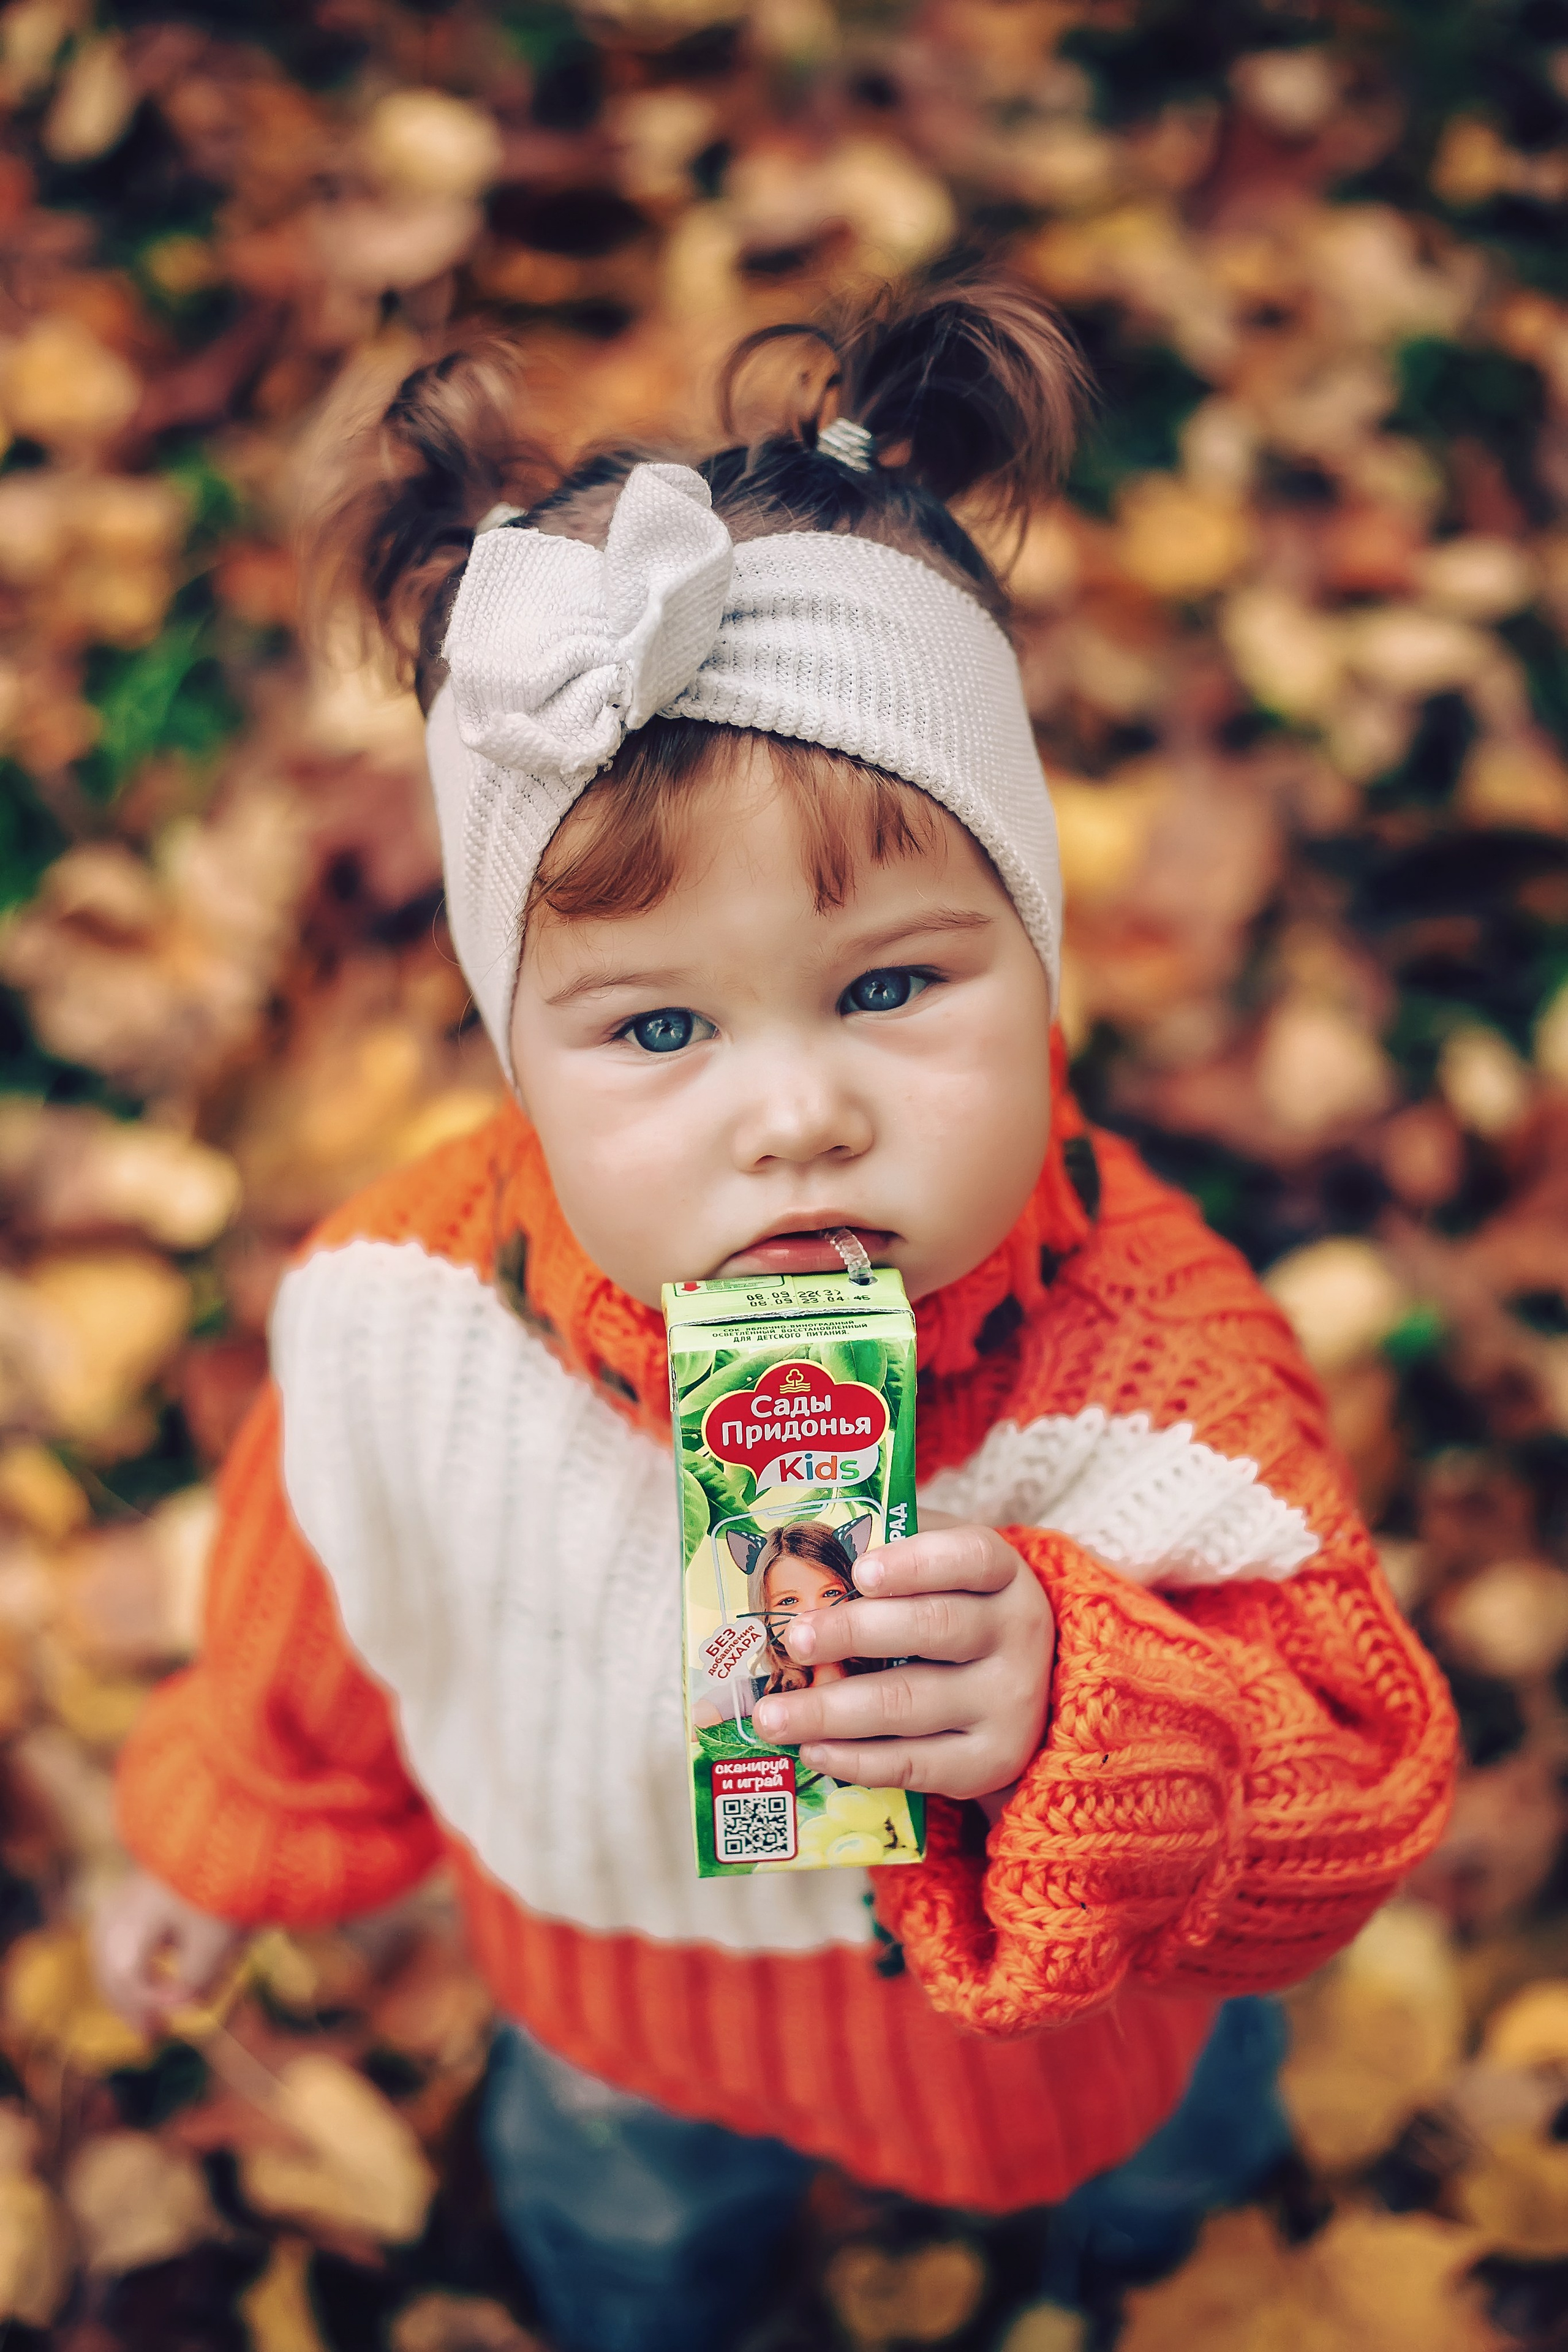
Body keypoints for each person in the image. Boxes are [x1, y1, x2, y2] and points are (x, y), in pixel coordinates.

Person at [93, 282, 1457, 2352]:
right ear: (515, 1057)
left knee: (1170, 2182)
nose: (800, 1111)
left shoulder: (1157, 1386)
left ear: (1044, 956)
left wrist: (1086, 1707)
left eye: (895, 987)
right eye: (658, 1026)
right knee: (634, 2251)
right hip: (622, 2006)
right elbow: (316, 1622)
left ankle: (1168, 2261)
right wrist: (218, 1847)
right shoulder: (406, 1317)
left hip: (1068, 2038)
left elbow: (1353, 1786)